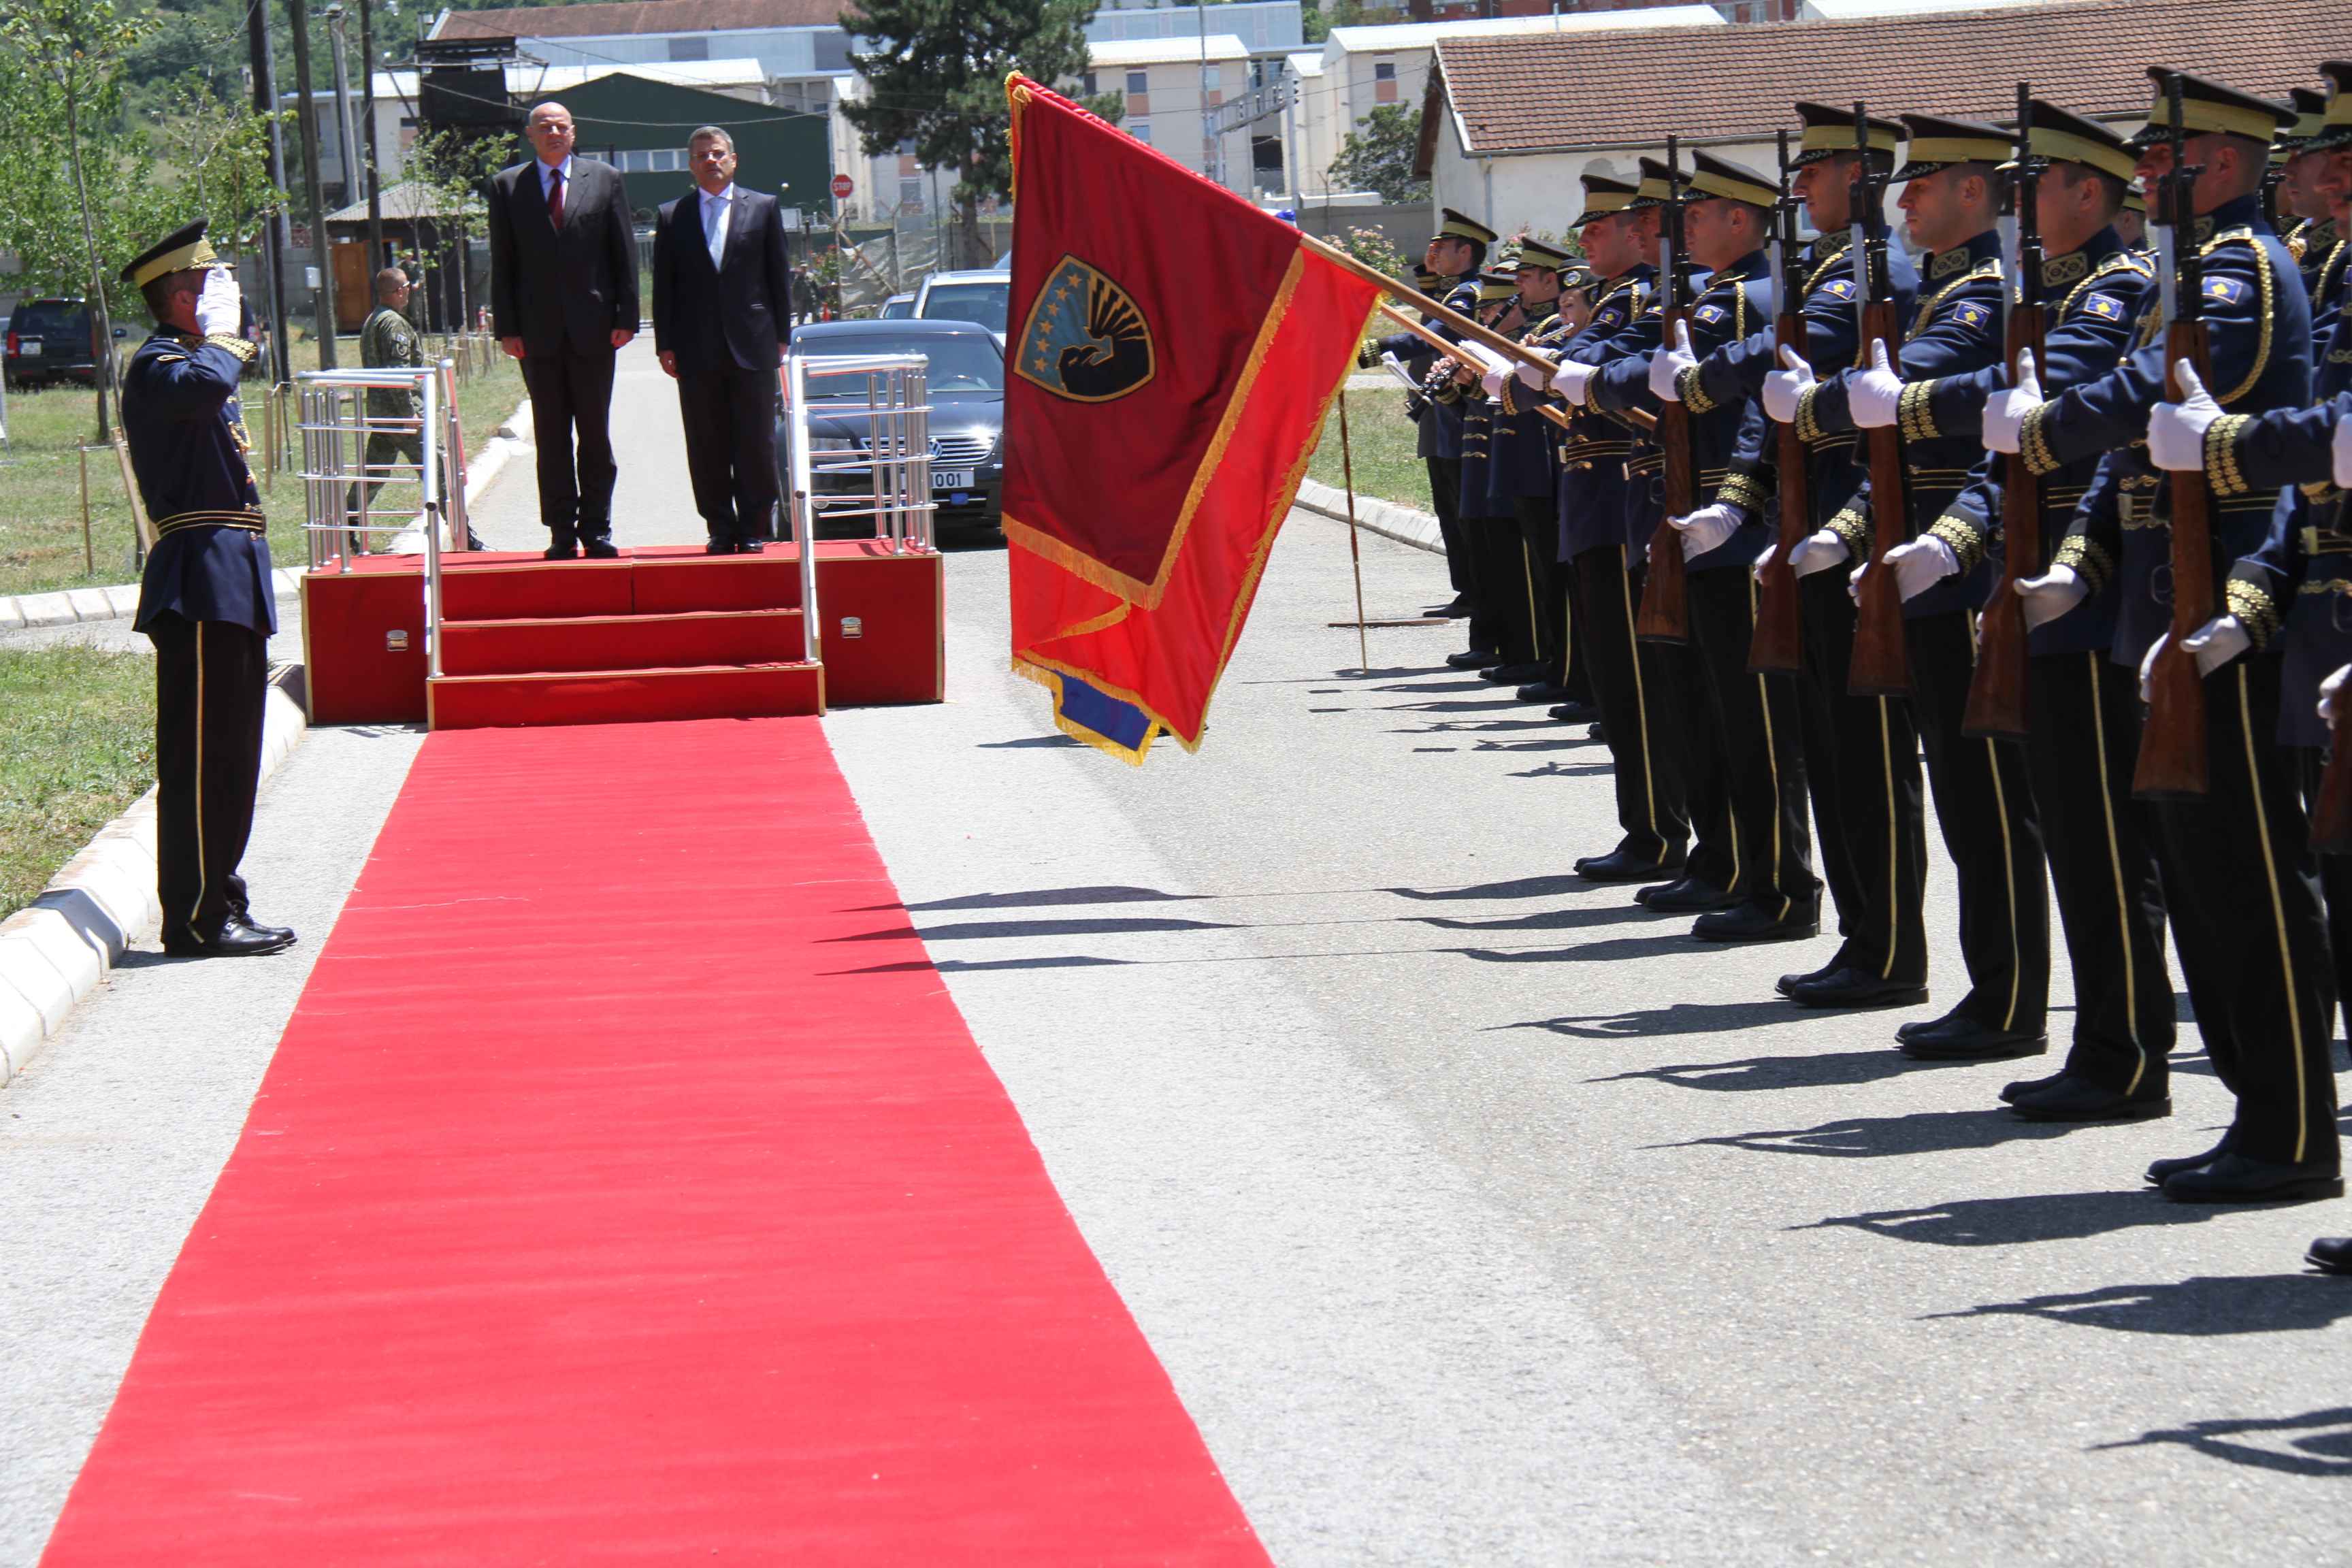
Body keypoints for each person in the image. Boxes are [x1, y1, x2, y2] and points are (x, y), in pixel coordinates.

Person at [1984, 68, 2331, 1203]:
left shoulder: (2239, 265)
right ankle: (2253, 1113)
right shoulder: (2181, 271)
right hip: (2162, 594)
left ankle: (2288, 1129)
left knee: (2249, 870)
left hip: (2225, 585)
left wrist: (2049, 428)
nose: (2145, 180)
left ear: (2220, 164)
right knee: (2194, 868)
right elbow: (2144, 449)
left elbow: (2162, 402)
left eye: (2162, 162)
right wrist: (2076, 559)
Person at [1779, 112, 2053, 1061]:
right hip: (1919, 558)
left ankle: (2010, 998)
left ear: (1972, 194)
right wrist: (1848, 530)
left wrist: (1824, 402)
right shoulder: (1938, 290)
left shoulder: (1983, 292)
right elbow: (1881, 430)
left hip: (1967, 564)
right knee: (1963, 798)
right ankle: (1992, 991)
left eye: (1923, 186)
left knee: (1985, 796)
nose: (1903, 203)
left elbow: (1915, 392)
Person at [1604, 148, 1820, 943]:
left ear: (1741, 219)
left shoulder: (1752, 299)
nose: (1681, 226)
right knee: (1710, 712)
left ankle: (1780, 884)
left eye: (1697, 215)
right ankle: (1729, 862)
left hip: (1741, 531)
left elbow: (1755, 413)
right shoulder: (1720, 295)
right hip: (1700, 528)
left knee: (1756, 725)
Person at [115, 220, 296, 960]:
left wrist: (217, 339)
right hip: (196, 576)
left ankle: (219, 895)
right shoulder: (159, 366)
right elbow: (212, 382)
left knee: (231, 751)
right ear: (183, 298)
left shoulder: (190, 360)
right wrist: (224, 337)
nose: (228, 305)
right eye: (211, 290)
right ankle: (192, 915)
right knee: (197, 758)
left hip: (230, 568)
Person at [487, 99, 639, 560]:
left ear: (574, 133)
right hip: (537, 334)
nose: (554, 133)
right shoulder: (508, 186)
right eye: (544, 127)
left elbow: (623, 253)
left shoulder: (605, 180)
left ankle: (596, 527)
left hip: (595, 331)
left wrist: (626, 318)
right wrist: (507, 328)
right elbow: (504, 263)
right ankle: (560, 530)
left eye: (561, 126)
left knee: (595, 434)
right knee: (551, 436)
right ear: (530, 135)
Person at [653, 127, 794, 555]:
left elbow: (777, 276)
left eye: (717, 154)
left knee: (755, 440)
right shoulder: (672, 215)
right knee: (706, 440)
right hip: (696, 347)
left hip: (753, 344)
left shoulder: (764, 208)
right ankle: (719, 525)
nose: (710, 161)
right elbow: (664, 286)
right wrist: (666, 343)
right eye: (701, 156)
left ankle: (754, 526)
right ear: (691, 165)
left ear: (733, 160)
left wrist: (782, 338)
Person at [347, 267, 423, 557]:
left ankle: (346, 525)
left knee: (373, 475)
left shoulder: (374, 318)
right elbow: (398, 373)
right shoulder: (393, 324)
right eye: (408, 287)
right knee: (440, 468)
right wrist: (409, 414)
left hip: (382, 415)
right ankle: (463, 532)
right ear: (400, 291)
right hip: (401, 417)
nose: (410, 291)